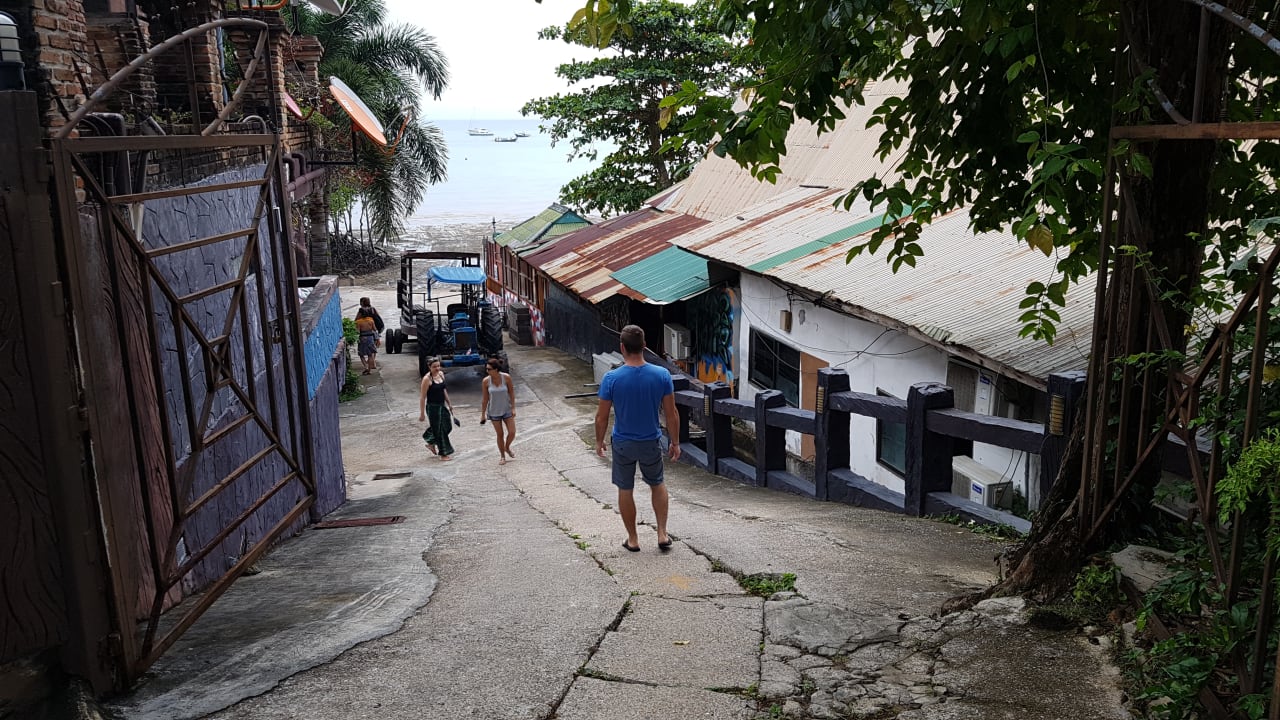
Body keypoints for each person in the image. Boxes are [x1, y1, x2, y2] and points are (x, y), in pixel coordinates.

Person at [594, 325, 681, 553]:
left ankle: (633, 539)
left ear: (622, 347)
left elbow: (601, 416)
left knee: (625, 488)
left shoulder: (611, 378)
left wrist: (599, 441)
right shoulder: (661, 375)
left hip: (623, 442)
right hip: (650, 440)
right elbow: (671, 413)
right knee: (657, 483)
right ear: (644, 346)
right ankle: (662, 534)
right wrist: (675, 442)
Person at [480, 357, 517, 465]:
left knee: (512, 432)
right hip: (494, 411)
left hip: (506, 409)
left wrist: (513, 407)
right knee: (499, 434)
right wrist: (482, 414)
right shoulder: (486, 381)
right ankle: (502, 456)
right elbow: (485, 398)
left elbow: (511, 393)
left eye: (489, 369)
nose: (487, 371)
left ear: (496, 369)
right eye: (486, 369)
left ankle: (507, 447)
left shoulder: (506, 378)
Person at [418, 357, 455, 461]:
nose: (437, 368)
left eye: (438, 366)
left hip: (441, 405)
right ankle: (443, 453)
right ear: (429, 367)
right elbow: (422, 397)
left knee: (447, 426)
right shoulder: (427, 379)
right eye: (434, 367)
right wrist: (422, 414)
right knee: (439, 430)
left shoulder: (441, 375)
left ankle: (430, 441)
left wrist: (449, 404)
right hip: (432, 408)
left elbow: (444, 390)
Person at [354, 307, 379, 374]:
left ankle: (366, 366)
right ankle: (369, 369)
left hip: (362, 338)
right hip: (370, 338)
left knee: (361, 354)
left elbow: (358, 332)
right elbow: (375, 329)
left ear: (360, 314)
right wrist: (377, 338)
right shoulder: (371, 320)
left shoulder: (358, 322)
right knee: (370, 354)